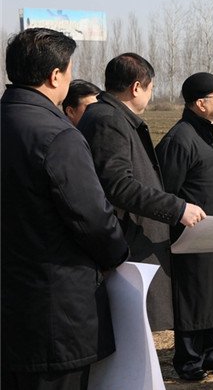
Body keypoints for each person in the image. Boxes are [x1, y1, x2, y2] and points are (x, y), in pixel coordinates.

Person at [1, 28, 128, 389]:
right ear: (55, 75)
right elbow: (92, 219)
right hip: (53, 312)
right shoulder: (57, 135)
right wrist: (116, 254)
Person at [78, 53, 206, 332]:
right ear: (136, 87)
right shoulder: (109, 120)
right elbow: (118, 185)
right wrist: (177, 208)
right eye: (151, 88)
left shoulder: (107, 115)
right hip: (127, 242)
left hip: (127, 237)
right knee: (130, 331)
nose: (150, 95)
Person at [156, 73, 213, 381]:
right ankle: (189, 360)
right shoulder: (180, 138)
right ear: (200, 103)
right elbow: (165, 191)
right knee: (194, 296)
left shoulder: (212, 131)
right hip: (193, 236)